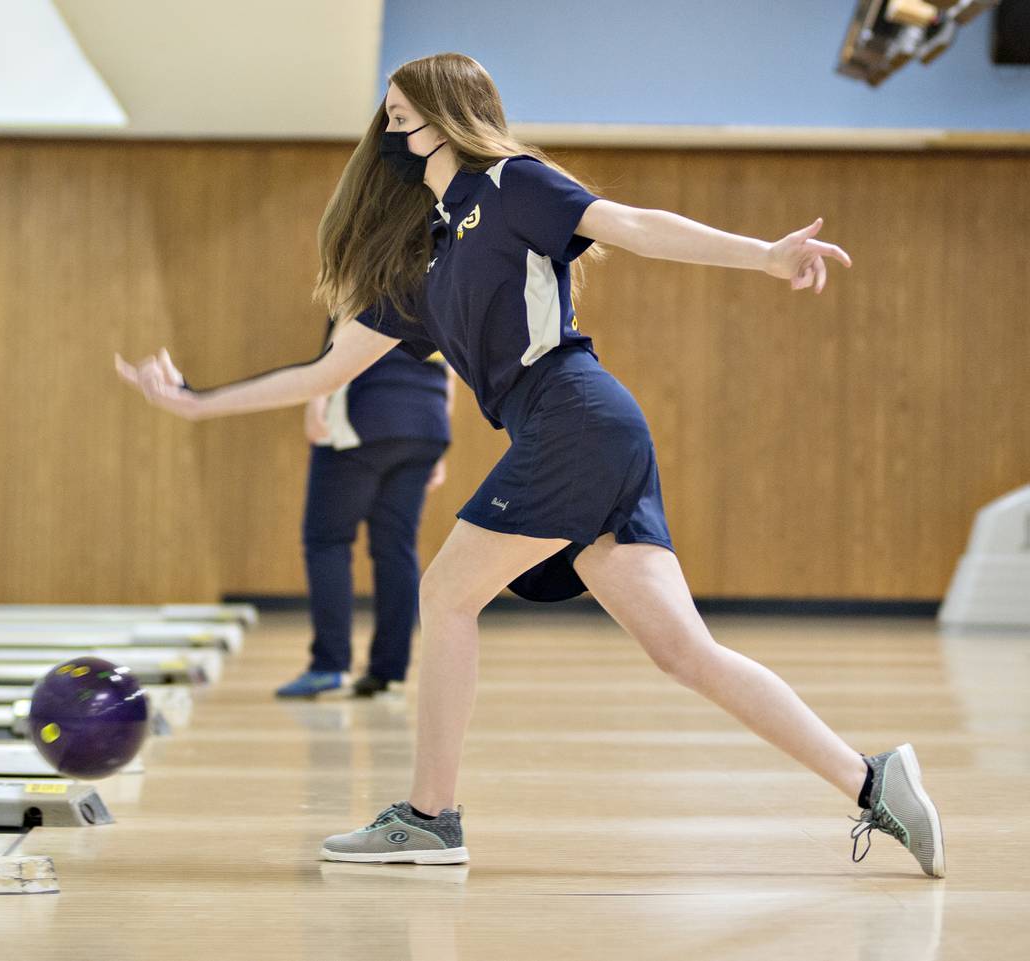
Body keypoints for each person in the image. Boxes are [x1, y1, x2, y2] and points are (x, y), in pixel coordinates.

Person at [116, 52, 944, 878]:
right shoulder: (423, 258)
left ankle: (430, 819)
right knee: (684, 652)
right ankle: (873, 781)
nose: (392, 125)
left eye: (405, 111)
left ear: (447, 116)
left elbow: (635, 224)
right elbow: (326, 372)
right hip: (578, 430)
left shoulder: (512, 182)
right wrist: (195, 401)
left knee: (445, 594)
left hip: (575, 416)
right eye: (389, 115)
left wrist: (764, 254)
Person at [277, 322, 454, 699]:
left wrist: (315, 402)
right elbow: (453, 363)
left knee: (327, 540)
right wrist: (439, 438)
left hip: (365, 413)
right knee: (396, 547)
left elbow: (339, 339)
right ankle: (388, 670)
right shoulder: (442, 276)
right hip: (426, 423)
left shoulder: (364, 269)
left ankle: (330, 664)